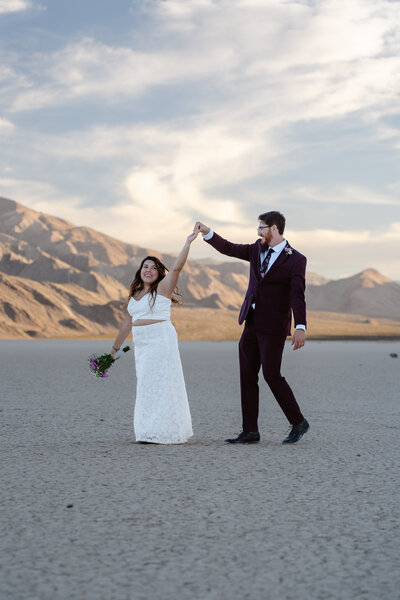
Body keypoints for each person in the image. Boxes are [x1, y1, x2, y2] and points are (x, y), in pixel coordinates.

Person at [195, 211, 309, 445]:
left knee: (271, 374)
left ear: (274, 228)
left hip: (274, 326)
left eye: (261, 228)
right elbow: (229, 248)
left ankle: (298, 422)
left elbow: (297, 295)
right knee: (247, 375)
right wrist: (208, 233)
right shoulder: (257, 249)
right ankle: (250, 431)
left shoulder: (296, 259)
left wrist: (300, 326)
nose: (258, 232)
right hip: (251, 321)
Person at [110, 230, 199, 444]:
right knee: (146, 386)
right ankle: (147, 432)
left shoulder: (163, 289)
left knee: (161, 384)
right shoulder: (135, 294)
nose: (148, 270)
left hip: (160, 340)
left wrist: (187, 242)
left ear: (159, 272)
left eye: (153, 267)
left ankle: (163, 432)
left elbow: (177, 267)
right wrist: (113, 351)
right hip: (141, 344)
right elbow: (127, 323)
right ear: (140, 271)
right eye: (145, 266)